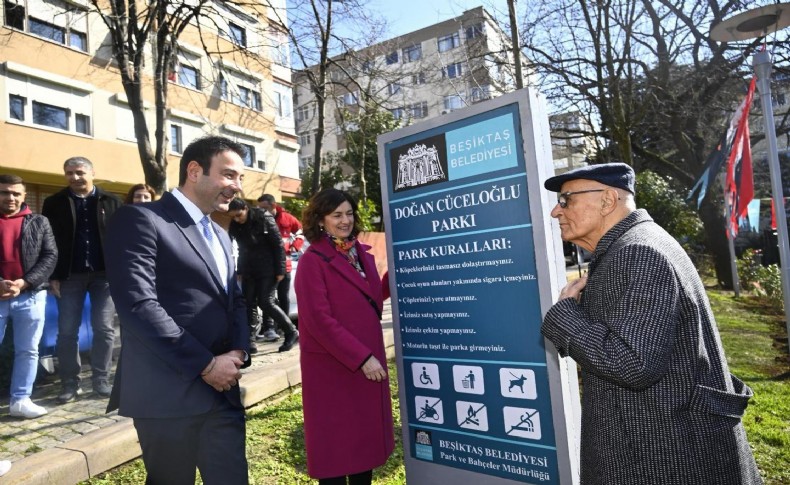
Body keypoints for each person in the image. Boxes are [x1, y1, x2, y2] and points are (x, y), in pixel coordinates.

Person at [541, 162, 762, 484]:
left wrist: (565, 315)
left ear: (607, 200)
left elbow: (631, 363)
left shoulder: (637, 252)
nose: (555, 212)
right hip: (663, 444)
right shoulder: (634, 244)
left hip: (660, 455)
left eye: (566, 200)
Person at [104, 136, 251, 485]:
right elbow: (138, 305)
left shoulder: (219, 233)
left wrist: (239, 351)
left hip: (222, 393)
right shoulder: (141, 219)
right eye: (229, 175)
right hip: (166, 395)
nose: (236, 186)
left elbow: (236, 299)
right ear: (195, 171)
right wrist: (205, 365)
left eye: (240, 178)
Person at [295, 188, 394, 485]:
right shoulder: (313, 260)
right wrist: (362, 358)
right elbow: (318, 320)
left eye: (349, 213)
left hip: (364, 364)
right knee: (336, 454)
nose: (345, 220)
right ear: (320, 219)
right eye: (336, 215)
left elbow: (373, 297)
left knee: (363, 448)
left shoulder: (359, 253)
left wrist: (401, 267)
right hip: (334, 370)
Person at [42, 157, 122, 403]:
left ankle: (100, 379)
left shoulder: (112, 202)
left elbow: (123, 241)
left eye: (79, 172)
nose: (74, 178)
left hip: (105, 276)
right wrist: (52, 276)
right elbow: (49, 242)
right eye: (69, 173)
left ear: (92, 173)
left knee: (104, 328)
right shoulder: (54, 203)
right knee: (67, 332)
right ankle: (69, 383)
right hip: (69, 276)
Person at [0, 175, 57, 418]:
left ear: (23, 196)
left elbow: (50, 256)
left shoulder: (39, 221)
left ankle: (20, 401)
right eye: (4, 192)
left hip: (31, 295)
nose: (10, 197)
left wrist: (24, 283)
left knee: (28, 350)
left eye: (15, 193)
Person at [227, 198, 298, 353]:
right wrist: (239, 270)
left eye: (239, 215)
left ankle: (291, 331)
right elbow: (234, 246)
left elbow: (277, 244)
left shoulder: (263, 217)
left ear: (246, 208)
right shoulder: (235, 224)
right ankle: (250, 340)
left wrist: (280, 270)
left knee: (266, 302)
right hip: (248, 268)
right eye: (233, 217)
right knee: (249, 303)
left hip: (268, 268)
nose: (237, 219)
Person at [257, 194, 304, 334]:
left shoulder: (287, 218)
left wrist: (295, 245)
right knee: (267, 298)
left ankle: (285, 327)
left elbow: (300, 231)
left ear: (273, 205)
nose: (262, 211)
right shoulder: (259, 219)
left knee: (283, 297)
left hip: (286, 264)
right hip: (268, 266)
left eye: (264, 208)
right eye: (260, 208)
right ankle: (269, 328)